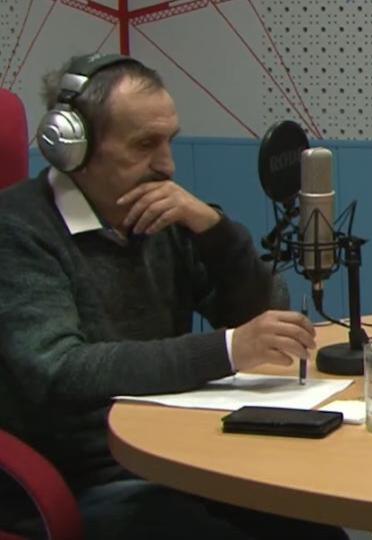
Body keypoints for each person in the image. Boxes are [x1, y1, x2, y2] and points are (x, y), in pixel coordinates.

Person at [0, 54, 346, 539]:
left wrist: (214, 228)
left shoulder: (161, 214)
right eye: (145, 145)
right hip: (81, 477)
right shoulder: (17, 229)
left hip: (172, 454)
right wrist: (226, 349)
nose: (167, 165)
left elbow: (266, 313)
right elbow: (60, 370)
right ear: (73, 149)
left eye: (170, 141)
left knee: (313, 531)